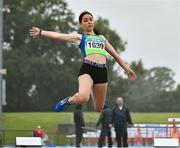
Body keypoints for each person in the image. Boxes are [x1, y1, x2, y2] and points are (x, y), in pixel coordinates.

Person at [29, 11, 136, 113]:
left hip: (102, 72)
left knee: (99, 108)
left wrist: (127, 69)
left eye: (90, 19)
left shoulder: (102, 38)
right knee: (84, 98)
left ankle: (91, 87)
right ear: (81, 24)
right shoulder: (80, 37)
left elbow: (116, 55)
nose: (89, 21)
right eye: (85, 20)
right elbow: (58, 35)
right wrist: (41, 32)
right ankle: (68, 100)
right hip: (88, 69)